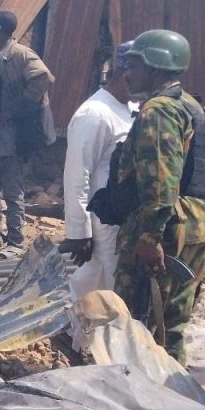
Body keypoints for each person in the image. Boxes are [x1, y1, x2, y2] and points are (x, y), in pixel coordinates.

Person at [111, 29, 205, 365]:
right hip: (195, 223)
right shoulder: (190, 107)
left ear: (156, 66)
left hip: (166, 229)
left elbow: (161, 181)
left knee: (137, 322)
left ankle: (140, 404)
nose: (126, 72)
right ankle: (172, 401)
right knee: (171, 326)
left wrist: (149, 235)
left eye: (134, 64)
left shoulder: (157, 111)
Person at [62, 42, 134, 307]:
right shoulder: (95, 113)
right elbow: (77, 175)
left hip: (118, 218)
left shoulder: (126, 108)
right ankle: (72, 337)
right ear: (128, 74)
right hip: (100, 221)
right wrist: (78, 231)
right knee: (93, 286)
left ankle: (82, 339)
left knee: (104, 289)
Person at [0, 10, 54, 256]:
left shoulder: (20, 54)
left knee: (12, 192)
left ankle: (15, 242)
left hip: (10, 139)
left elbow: (42, 78)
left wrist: (16, 109)